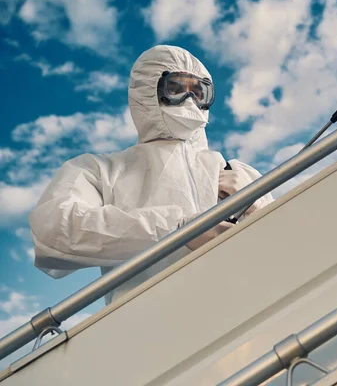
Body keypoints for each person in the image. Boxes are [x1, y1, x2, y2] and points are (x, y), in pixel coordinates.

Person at [28, 45, 273, 305]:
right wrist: (176, 229)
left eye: (198, 92)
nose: (189, 101)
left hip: (244, 311)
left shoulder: (239, 173)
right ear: (146, 92)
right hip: (145, 326)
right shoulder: (99, 170)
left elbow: (287, 246)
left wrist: (259, 206)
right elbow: (53, 230)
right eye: (175, 89)